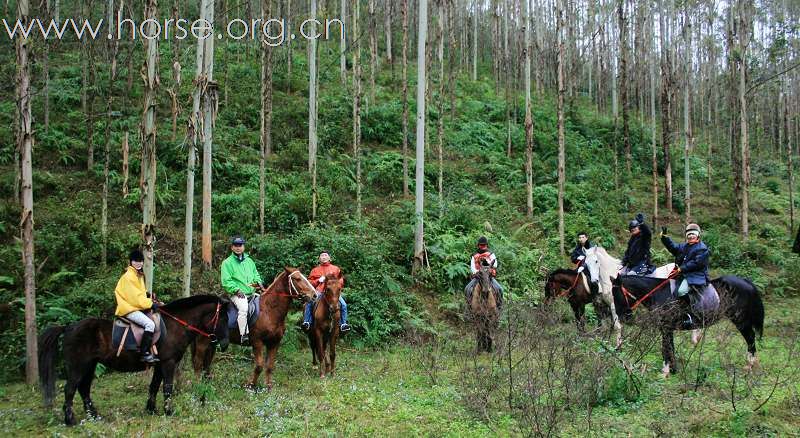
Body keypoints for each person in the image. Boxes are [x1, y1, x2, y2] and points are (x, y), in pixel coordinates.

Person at [660, 224, 710, 328]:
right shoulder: (684, 246)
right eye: (689, 234)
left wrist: (681, 268)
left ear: (698, 235)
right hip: (683, 273)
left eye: (693, 234)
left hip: (696, 275)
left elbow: (696, 263)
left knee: (681, 291)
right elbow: (673, 247)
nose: (691, 236)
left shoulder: (702, 248)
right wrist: (665, 237)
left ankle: (691, 315)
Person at [114, 249, 160, 363]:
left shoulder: (137, 275)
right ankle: (144, 353)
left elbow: (139, 292)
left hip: (133, 305)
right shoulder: (129, 276)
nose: (138, 263)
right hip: (128, 308)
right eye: (135, 261)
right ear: (130, 262)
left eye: (140, 261)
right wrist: (150, 304)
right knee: (150, 324)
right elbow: (135, 299)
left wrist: (147, 295)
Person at [220, 236, 264, 344]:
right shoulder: (227, 263)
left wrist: (258, 283)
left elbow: (256, 275)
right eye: (236, 245)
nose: (238, 247)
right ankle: (243, 335)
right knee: (244, 309)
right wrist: (236, 290)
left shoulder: (249, 261)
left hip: (252, 293)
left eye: (240, 245)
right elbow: (226, 281)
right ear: (232, 247)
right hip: (238, 294)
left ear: (244, 247)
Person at [302, 252, 350, 332]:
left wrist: (336, 285)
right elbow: (309, 282)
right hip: (319, 291)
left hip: (332, 292)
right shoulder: (315, 270)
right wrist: (318, 280)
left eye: (325, 255)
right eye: (322, 256)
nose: (324, 257)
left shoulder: (335, 269)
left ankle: (343, 324)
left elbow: (341, 280)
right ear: (319, 259)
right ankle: (307, 322)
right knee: (309, 302)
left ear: (329, 258)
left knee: (344, 304)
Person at [464, 236, 504, 307]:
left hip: (489, 276)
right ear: (478, 245)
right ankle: (469, 307)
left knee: (500, 289)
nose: (482, 246)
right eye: (481, 245)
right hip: (478, 276)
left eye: (484, 245)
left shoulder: (491, 254)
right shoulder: (474, 255)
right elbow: (472, 267)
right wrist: (477, 272)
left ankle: (499, 307)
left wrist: (487, 264)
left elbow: (495, 264)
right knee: (467, 289)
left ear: (486, 245)